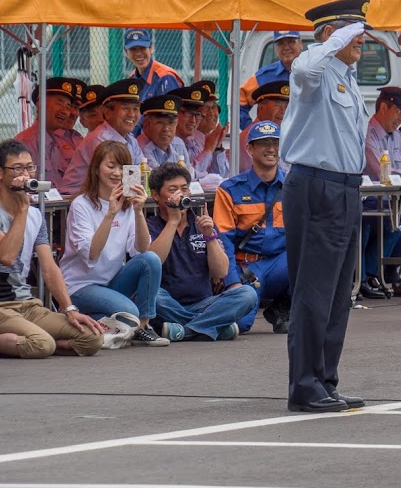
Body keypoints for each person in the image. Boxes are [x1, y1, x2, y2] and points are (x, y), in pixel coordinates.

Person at [279, 0, 372, 413]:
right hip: (316, 186)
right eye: (355, 33)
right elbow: (302, 65)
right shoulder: (314, 72)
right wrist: (335, 40)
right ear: (330, 35)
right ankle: (304, 385)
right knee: (313, 291)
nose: (362, 42)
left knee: (337, 293)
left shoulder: (347, 76)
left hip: (346, 188)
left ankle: (325, 379)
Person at [0, 140, 105, 358]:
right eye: (17, 168)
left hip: (28, 305)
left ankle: (43, 340)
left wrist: (69, 309)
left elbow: (49, 267)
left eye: (29, 167)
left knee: (92, 338)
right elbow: (6, 256)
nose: (25, 175)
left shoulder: (35, 215)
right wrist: (23, 208)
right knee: (41, 344)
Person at [58, 139, 166, 346]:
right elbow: (91, 253)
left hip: (112, 283)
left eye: (122, 168)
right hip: (81, 286)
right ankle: (97, 319)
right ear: (97, 169)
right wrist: (110, 214)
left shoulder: (127, 205)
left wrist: (138, 211)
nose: (117, 173)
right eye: (111, 166)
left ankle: (142, 326)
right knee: (128, 313)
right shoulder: (81, 204)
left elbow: (141, 250)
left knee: (151, 259)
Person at [147, 162, 257, 341]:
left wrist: (210, 237)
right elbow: (153, 261)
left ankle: (186, 331)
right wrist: (173, 221)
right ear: (155, 195)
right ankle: (211, 326)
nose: (180, 194)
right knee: (153, 296)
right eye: (173, 189)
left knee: (247, 294)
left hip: (203, 304)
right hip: (167, 303)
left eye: (184, 188)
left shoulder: (201, 223)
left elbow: (220, 272)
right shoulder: (150, 225)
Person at [215, 120, 290, 334]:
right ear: (249, 149)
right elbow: (223, 241)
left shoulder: (294, 187)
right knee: (240, 326)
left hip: (281, 265)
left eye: (275, 143)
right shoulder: (230, 190)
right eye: (264, 143)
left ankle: (282, 309)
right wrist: (231, 283)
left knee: (313, 254)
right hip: (246, 269)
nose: (271, 149)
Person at [360, 85, 401, 299]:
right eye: (398, 111)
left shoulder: (398, 135)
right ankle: (364, 277)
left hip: (390, 199)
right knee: (388, 223)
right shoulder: (367, 134)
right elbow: (378, 171)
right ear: (383, 107)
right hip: (368, 198)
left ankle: (377, 273)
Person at [60, 80, 145, 194]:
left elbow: (142, 175)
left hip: (108, 200)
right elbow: (115, 179)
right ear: (107, 112)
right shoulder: (99, 139)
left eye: (135, 109)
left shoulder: (131, 140)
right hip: (76, 203)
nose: (131, 114)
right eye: (125, 109)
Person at [15, 77, 84, 186]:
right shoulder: (26, 142)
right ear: (40, 103)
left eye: (68, 106)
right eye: (59, 103)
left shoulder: (54, 143)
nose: (65, 111)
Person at [239, 29, 302, 127]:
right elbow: (238, 105)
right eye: (280, 44)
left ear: (300, 44)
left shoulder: (314, 72)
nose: (286, 48)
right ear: (276, 48)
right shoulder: (263, 76)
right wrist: (252, 130)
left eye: (291, 42)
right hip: (275, 140)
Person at [137, 94, 193, 174]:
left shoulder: (178, 144)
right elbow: (160, 178)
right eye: (160, 123)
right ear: (147, 124)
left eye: (171, 123)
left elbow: (188, 174)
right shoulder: (141, 147)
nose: (166, 129)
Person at [185, 81, 230, 178]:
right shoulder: (186, 139)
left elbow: (222, 175)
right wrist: (208, 150)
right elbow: (188, 176)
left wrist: (217, 148)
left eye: (214, 107)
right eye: (205, 108)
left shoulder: (211, 138)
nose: (211, 113)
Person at [240, 79, 288, 171]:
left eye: (286, 106)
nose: (283, 111)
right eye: (277, 105)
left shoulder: (282, 134)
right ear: (261, 107)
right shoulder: (251, 137)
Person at [123, 28, 183, 101]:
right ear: (126, 52)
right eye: (133, 49)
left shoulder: (165, 77)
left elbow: (171, 111)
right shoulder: (132, 78)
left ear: (151, 48)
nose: (138, 53)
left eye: (143, 48)